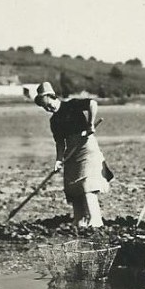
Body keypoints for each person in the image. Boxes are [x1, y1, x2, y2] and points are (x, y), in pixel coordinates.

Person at [34, 82, 111, 228]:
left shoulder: (71, 105)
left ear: (52, 96)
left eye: (48, 104)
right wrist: (58, 160)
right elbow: (59, 143)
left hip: (86, 148)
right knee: (72, 186)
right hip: (71, 152)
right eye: (45, 108)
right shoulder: (54, 121)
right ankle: (80, 219)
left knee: (87, 183)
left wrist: (90, 124)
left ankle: (95, 220)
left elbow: (92, 104)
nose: (48, 109)